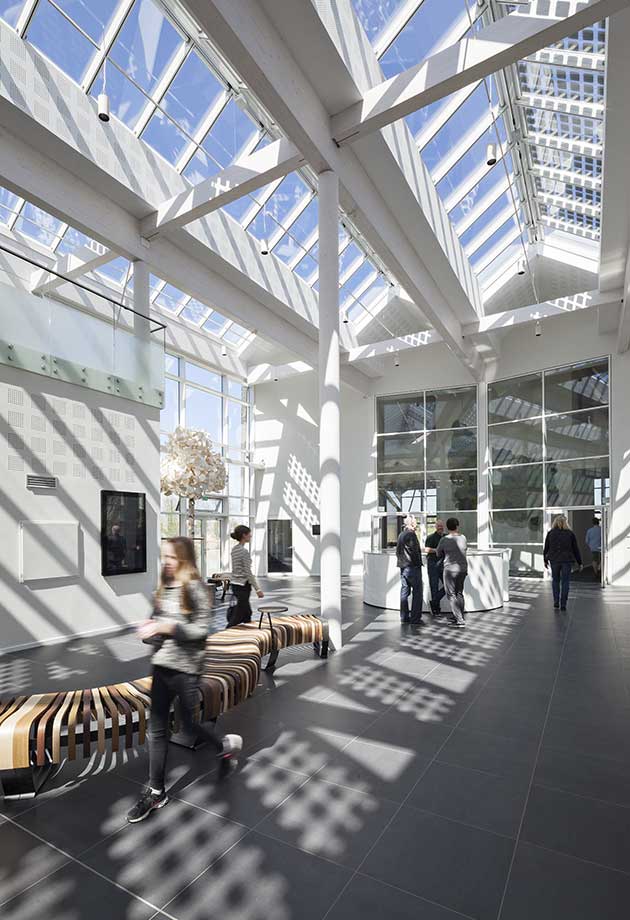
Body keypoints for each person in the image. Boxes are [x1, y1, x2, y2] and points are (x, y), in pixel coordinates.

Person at [127, 537, 242, 823]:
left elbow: (200, 630)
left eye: (171, 557)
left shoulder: (197, 589)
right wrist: (149, 629)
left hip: (187, 669)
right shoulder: (164, 587)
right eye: (164, 556)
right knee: (157, 730)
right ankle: (157, 792)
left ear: (185, 559)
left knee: (188, 724)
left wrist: (166, 627)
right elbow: (158, 624)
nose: (166, 562)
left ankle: (224, 747)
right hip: (161, 666)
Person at [544, 515, 583, 610]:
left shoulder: (550, 533)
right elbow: (575, 549)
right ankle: (563, 604)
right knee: (565, 582)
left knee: (555, 581)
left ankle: (556, 601)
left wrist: (545, 560)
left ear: (555, 522)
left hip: (554, 560)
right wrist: (580, 562)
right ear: (566, 523)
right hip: (567, 560)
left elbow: (546, 548)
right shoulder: (570, 534)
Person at [229, 524, 264, 627]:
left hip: (235, 584)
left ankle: (248, 632)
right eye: (249, 534)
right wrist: (258, 589)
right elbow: (248, 572)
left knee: (247, 613)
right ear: (244, 535)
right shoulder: (244, 551)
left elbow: (236, 568)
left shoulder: (234, 549)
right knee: (238, 616)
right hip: (243, 586)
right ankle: (226, 632)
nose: (251, 536)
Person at [436, 517, 467, 628]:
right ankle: (459, 616)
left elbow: (438, 553)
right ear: (457, 526)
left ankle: (459, 620)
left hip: (450, 570)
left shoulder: (444, 539)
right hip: (462, 569)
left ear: (447, 527)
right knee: (459, 593)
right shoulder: (463, 538)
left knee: (451, 594)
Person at [396, 517, 424, 625]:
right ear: (411, 524)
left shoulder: (401, 535)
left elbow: (398, 552)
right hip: (412, 568)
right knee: (417, 593)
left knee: (404, 592)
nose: (416, 525)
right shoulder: (411, 535)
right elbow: (415, 552)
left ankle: (404, 617)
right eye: (415, 523)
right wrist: (418, 564)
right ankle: (415, 619)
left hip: (403, 567)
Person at [425, 519, 446, 616]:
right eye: (438, 526)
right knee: (434, 587)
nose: (440, 528)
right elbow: (426, 549)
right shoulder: (430, 537)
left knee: (448, 586)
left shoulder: (446, 537)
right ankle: (436, 610)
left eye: (441, 526)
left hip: (443, 565)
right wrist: (437, 550)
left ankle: (433, 603)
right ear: (435, 527)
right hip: (433, 565)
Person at [585, 517, 602, 582]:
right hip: (601, 546)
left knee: (594, 560)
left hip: (593, 547)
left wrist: (590, 546)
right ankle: (599, 568)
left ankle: (596, 573)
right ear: (598, 522)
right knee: (602, 559)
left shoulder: (589, 530)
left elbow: (587, 541)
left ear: (593, 523)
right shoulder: (601, 530)